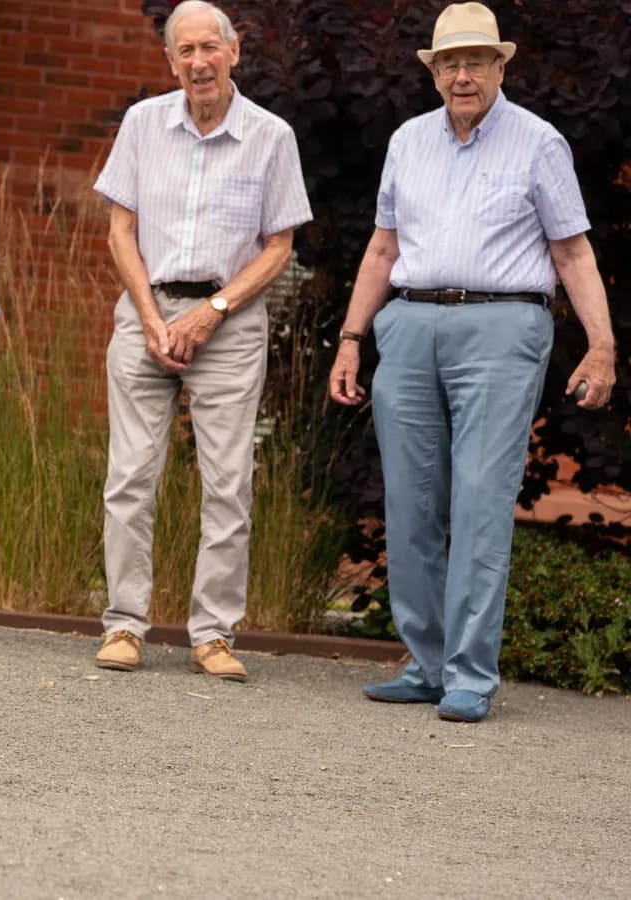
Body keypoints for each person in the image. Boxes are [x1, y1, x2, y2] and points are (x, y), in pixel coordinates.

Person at [329, 2, 616, 723]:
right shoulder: (407, 142)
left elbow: (572, 251)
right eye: (450, 63)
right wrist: (351, 337)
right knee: (411, 503)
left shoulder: (538, 143)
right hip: (412, 321)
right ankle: (426, 664)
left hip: (502, 324)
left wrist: (602, 345)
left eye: (477, 61)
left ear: (500, 67)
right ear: (433, 73)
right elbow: (383, 249)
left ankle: (469, 674)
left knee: (481, 502)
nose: (463, 75)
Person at [92, 0, 311, 680]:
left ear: (233, 51)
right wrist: (154, 317)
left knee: (228, 484)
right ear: (170, 61)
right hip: (146, 314)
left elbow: (280, 247)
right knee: (129, 477)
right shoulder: (142, 124)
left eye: (207, 48)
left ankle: (212, 635)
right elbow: (119, 232)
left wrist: (212, 310)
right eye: (183, 51)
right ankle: (125, 625)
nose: (197, 62)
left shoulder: (271, 136)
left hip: (230, 321)